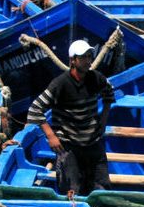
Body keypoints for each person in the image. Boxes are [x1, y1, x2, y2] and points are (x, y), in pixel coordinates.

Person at [27, 39, 115, 197]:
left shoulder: (96, 78)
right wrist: (51, 136)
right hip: (69, 147)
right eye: (84, 57)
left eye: (90, 56)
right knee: (72, 191)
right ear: (73, 60)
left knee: (102, 188)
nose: (89, 60)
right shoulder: (60, 84)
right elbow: (35, 109)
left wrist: (103, 121)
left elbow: (109, 93)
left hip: (93, 143)